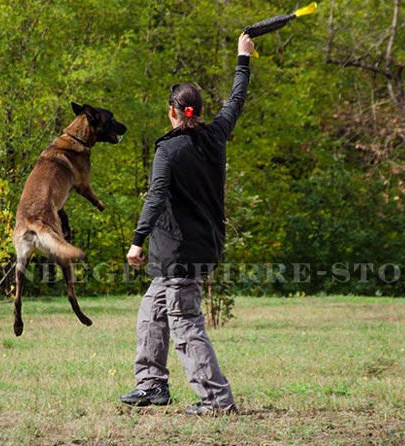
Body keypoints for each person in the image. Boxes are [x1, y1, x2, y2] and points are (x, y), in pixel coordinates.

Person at [120, 33, 255, 416]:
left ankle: (215, 400)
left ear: (172, 112)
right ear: (196, 110)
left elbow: (155, 195)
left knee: (185, 324)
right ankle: (151, 385)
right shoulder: (216, 135)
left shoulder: (169, 149)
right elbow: (237, 101)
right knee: (152, 312)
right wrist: (242, 60)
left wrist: (136, 240)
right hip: (196, 248)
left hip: (178, 254)